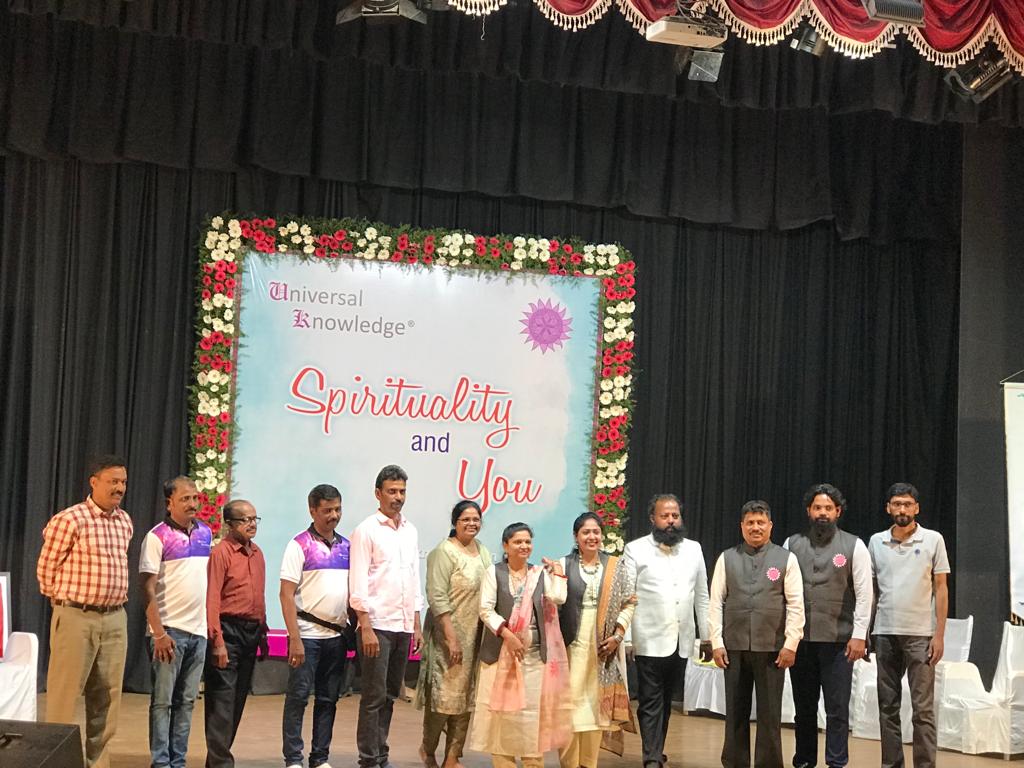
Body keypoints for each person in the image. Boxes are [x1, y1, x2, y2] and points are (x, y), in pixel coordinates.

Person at [36, 454, 133, 768]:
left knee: (107, 698)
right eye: (113, 481)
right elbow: (46, 569)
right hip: (76, 617)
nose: (119, 488)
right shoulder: (70, 519)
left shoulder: (125, 521)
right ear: (94, 482)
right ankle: (57, 763)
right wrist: (66, 606)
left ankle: (98, 764)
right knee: (64, 698)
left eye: (123, 482)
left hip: (115, 618)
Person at [467, 522, 572, 768]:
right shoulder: (494, 573)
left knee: (531, 717)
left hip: (532, 658)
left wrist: (557, 572)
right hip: (499, 655)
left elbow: (558, 598)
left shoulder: (539, 574)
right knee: (501, 717)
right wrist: (508, 635)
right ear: (506, 546)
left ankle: (532, 763)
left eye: (527, 541)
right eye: (517, 542)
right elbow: (485, 609)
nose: (524, 546)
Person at [709, 500, 805, 768]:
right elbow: (715, 602)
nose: (755, 527)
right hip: (734, 646)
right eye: (750, 522)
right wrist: (716, 642)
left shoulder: (786, 559)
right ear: (742, 526)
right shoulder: (727, 558)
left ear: (770, 526)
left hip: (772, 647)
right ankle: (734, 762)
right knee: (735, 712)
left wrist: (791, 644)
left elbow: (796, 604)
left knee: (770, 715)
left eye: (760, 522)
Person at [783, 483, 872, 768]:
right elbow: (780, 588)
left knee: (837, 710)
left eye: (828, 508)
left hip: (839, 642)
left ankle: (836, 762)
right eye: (817, 507)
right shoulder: (791, 544)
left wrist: (859, 636)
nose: (823, 513)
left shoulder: (854, 545)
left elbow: (865, 594)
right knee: (804, 709)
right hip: (801, 642)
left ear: (838, 512)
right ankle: (804, 761)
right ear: (808, 511)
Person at [622, 494, 711, 768]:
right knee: (650, 700)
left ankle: (656, 749)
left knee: (666, 699)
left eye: (675, 516)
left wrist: (706, 637)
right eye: (665, 516)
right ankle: (651, 756)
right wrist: (627, 638)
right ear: (653, 519)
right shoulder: (635, 549)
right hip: (648, 639)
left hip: (682, 639)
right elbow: (627, 596)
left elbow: (702, 596)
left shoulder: (694, 549)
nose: (671, 521)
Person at [868, 482, 950, 768]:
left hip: (920, 636)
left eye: (907, 504)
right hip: (885, 633)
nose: (902, 509)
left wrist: (939, 634)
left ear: (916, 508)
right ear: (888, 508)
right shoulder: (876, 541)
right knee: (887, 707)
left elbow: (941, 588)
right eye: (896, 504)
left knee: (923, 710)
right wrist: (865, 630)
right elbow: (871, 590)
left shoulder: (933, 539)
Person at [350, 465, 424, 768]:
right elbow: (358, 582)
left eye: (402, 491)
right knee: (373, 696)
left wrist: (416, 624)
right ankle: (369, 759)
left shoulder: (410, 530)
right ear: (378, 493)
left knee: (391, 694)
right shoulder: (366, 530)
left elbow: (414, 578)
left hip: (403, 625)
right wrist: (365, 626)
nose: (398, 497)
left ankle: (381, 754)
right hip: (376, 625)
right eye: (392, 491)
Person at [140, 476, 212, 768]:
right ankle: (161, 762)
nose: (192, 504)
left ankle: (178, 761)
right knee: (163, 702)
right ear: (169, 502)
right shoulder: (157, 537)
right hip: (169, 632)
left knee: (187, 702)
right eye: (185, 499)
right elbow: (147, 588)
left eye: (195, 498)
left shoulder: (205, 533)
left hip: (198, 632)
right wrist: (159, 633)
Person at [280, 483, 352, 768]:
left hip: (336, 637)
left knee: (328, 699)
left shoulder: (347, 546)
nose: (334, 515)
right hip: (307, 636)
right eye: (327, 510)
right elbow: (286, 594)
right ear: (312, 511)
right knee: (298, 698)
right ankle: (293, 759)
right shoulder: (299, 545)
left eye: (338, 509)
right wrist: (294, 638)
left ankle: (320, 758)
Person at [557, 512, 637, 768]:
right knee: (569, 705)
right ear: (576, 536)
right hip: (571, 645)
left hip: (604, 647)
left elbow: (629, 603)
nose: (591, 537)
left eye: (596, 532)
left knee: (594, 707)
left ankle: (588, 763)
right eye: (585, 532)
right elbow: (554, 604)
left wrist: (617, 636)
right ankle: (569, 763)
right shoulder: (563, 565)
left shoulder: (615, 566)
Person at [416, 500, 492, 768]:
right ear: (455, 522)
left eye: (476, 519)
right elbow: (437, 597)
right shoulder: (443, 552)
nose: (472, 523)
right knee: (443, 699)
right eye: (465, 519)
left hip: (475, 637)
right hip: (446, 637)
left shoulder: (483, 551)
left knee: (465, 699)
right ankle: (428, 750)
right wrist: (451, 638)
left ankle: (453, 756)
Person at [204, 499, 267, 768]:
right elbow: (212, 599)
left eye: (254, 519)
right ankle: (221, 764)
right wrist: (217, 641)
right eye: (245, 520)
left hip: (251, 633)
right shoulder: (222, 553)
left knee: (238, 701)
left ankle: (216, 761)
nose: (252, 524)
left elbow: (258, 596)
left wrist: (263, 631)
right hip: (227, 631)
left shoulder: (257, 553)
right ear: (230, 524)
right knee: (222, 702)